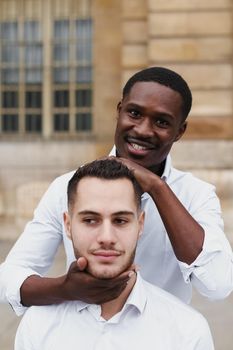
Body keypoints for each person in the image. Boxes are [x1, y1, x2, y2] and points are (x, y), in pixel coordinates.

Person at [0, 67, 232, 316]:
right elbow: (9, 279)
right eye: (134, 113)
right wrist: (66, 289)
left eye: (162, 122)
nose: (143, 130)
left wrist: (156, 187)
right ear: (119, 111)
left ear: (180, 132)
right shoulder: (66, 187)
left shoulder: (196, 195)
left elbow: (218, 285)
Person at [14, 159, 214, 350]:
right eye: (91, 220)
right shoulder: (37, 325)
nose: (107, 237)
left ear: (140, 224)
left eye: (120, 221)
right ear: (67, 225)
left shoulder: (188, 332)